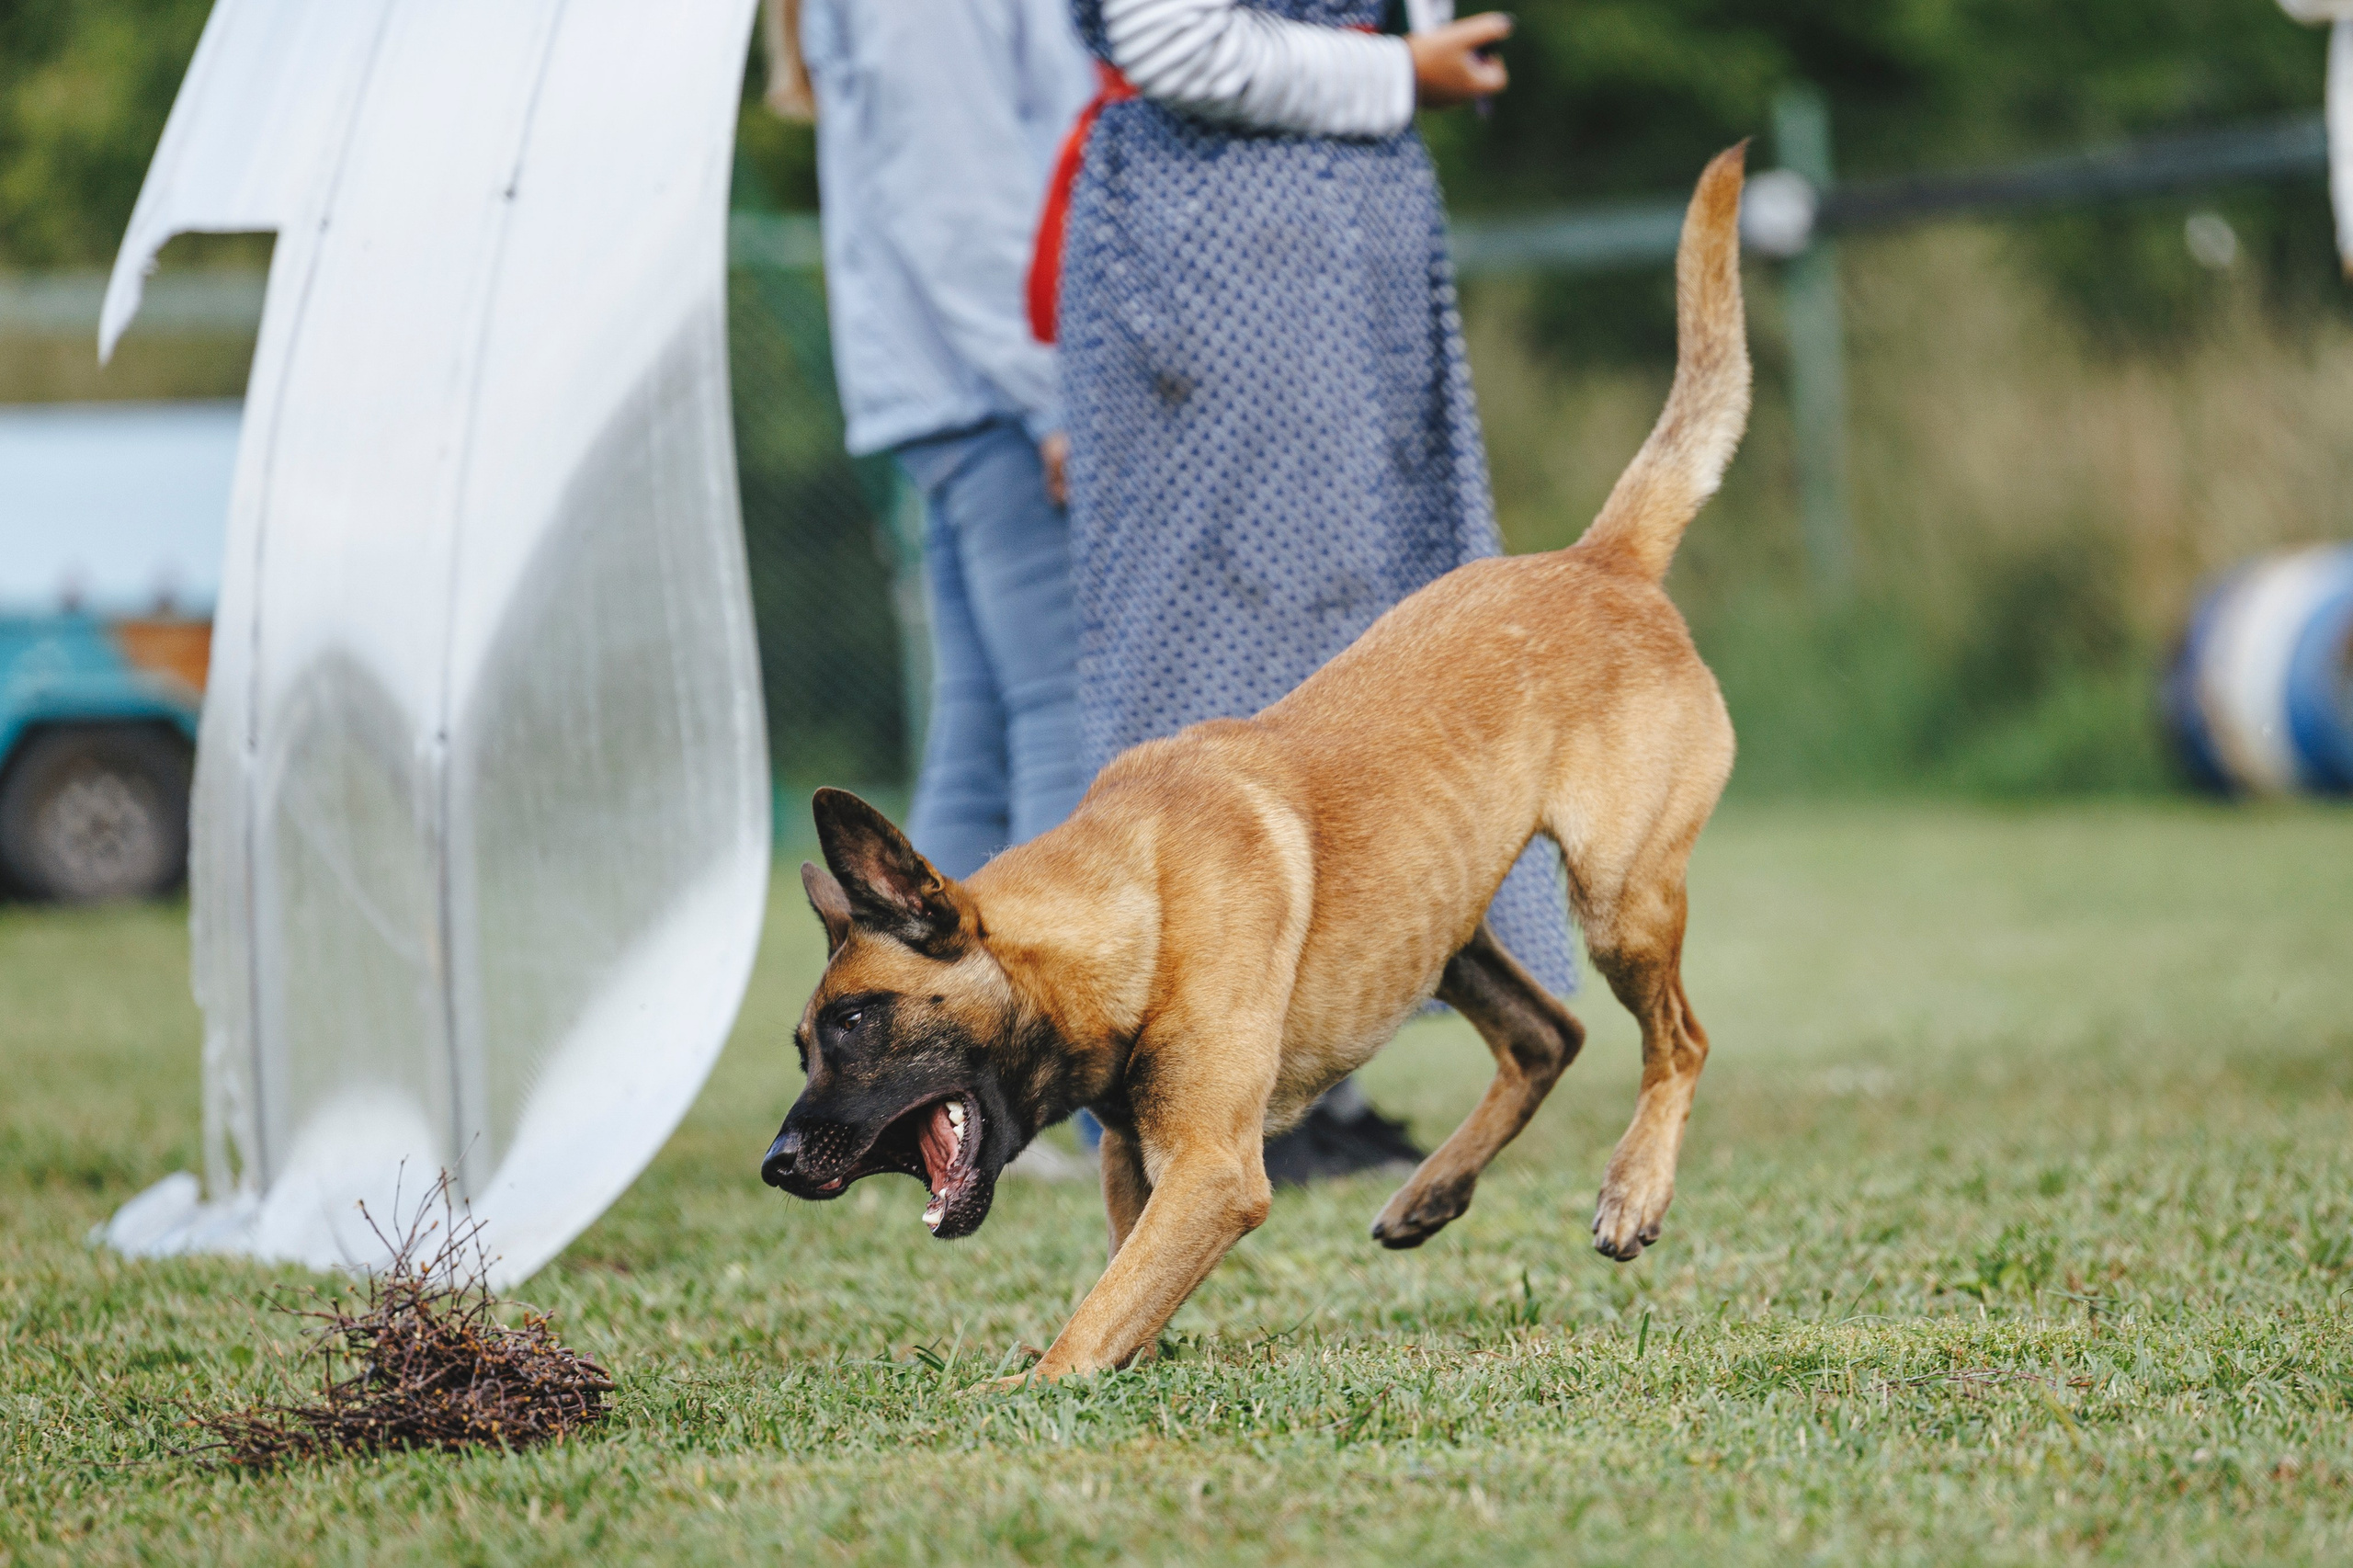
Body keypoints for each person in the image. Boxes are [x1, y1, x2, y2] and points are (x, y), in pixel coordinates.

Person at [1046, 0, 1581, 1178]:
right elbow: (1171, 38)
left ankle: (1315, 1066)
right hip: (1221, 246)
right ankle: (1184, 1084)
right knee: (1218, 659)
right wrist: (1394, 72)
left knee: (1374, 667)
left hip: (1343, 249)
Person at [777, 0, 1097, 881]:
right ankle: (1047, 1008)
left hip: (960, 389)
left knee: (987, 726)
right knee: (1060, 710)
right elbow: (961, 207)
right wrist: (1053, 397)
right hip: (991, 390)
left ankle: (903, 1005)